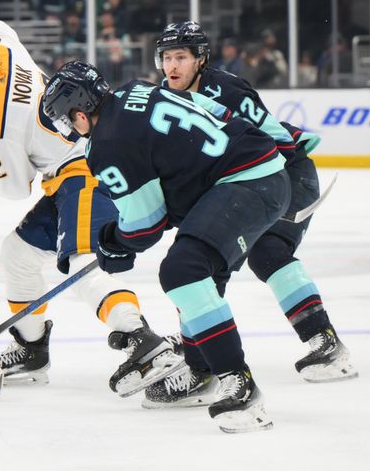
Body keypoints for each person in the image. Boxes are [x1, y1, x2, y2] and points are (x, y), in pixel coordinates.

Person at [0, 20, 182, 395]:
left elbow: (13, 186)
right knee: (18, 252)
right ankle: (32, 347)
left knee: (80, 266)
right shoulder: (2, 54)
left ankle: (142, 341)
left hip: (86, 174)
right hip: (72, 172)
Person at [42, 60, 290, 433]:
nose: (70, 131)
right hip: (257, 172)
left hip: (246, 182)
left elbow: (146, 226)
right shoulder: (133, 90)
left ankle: (239, 384)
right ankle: (201, 369)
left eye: (65, 121)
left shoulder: (107, 144)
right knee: (200, 273)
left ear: (79, 111)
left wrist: (114, 242)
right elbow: (206, 113)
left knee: (182, 270)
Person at [151, 21, 357, 407]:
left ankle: (324, 341)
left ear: (200, 59)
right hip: (234, 181)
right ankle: (201, 354)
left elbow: (268, 143)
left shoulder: (227, 90)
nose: (172, 66)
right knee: (201, 265)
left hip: (283, 171)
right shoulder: (164, 95)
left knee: (266, 253)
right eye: (166, 57)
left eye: (180, 57)